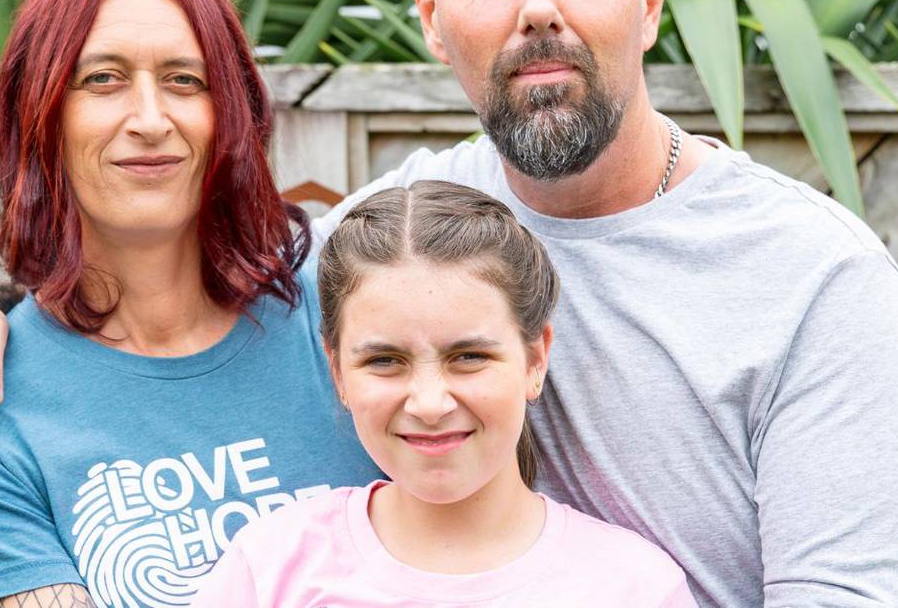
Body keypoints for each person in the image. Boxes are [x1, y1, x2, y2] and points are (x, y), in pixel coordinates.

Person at [0, 0, 898, 607]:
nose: (538, 6)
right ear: (432, 16)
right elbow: (160, 273)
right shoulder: (391, 243)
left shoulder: (812, 282)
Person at [0, 0, 381, 608]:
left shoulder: (357, 322)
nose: (151, 120)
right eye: (103, 79)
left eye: (185, 80)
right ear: (39, 113)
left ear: (231, 113)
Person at [193, 181, 698, 607]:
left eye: (469, 356)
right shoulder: (269, 568)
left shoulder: (635, 588)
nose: (430, 404)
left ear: (535, 359)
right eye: (384, 361)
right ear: (338, 371)